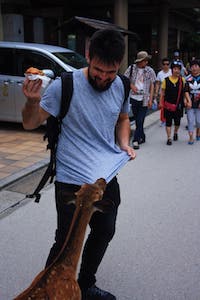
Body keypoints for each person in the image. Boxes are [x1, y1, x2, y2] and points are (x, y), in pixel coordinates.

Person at [22, 29, 136, 300]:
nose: (103, 77)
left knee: (105, 231)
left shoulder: (121, 85)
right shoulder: (66, 84)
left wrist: (124, 143)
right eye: (98, 70)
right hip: (71, 177)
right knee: (66, 240)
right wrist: (31, 101)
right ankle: (46, 292)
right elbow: (29, 122)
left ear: (119, 63)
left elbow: (122, 119)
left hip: (105, 175)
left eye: (110, 72)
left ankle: (85, 283)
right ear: (88, 56)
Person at [124, 51, 156, 150]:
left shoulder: (149, 70)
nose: (146, 62)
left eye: (147, 60)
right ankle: (142, 136)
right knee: (138, 120)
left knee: (140, 119)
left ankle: (135, 140)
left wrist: (151, 99)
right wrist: (131, 86)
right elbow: (125, 79)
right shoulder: (132, 68)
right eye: (145, 60)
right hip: (133, 98)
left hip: (144, 99)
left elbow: (152, 85)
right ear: (140, 61)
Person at [160, 61, 185, 145]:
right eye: (175, 69)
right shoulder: (165, 81)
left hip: (179, 106)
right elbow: (162, 93)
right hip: (168, 105)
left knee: (177, 122)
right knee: (168, 122)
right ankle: (169, 138)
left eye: (178, 69)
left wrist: (186, 100)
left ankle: (175, 132)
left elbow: (185, 92)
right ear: (172, 70)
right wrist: (160, 103)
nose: (176, 71)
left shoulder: (182, 80)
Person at [184, 59, 200, 144]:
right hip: (190, 104)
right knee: (190, 120)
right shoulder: (188, 79)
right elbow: (186, 91)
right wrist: (188, 101)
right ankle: (191, 137)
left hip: (199, 104)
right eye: (192, 66)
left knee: (198, 121)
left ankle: (198, 131)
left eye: (196, 66)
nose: (194, 68)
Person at [154, 57, 172, 126]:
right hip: (162, 93)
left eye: (167, 64)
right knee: (163, 108)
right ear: (162, 65)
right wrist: (156, 93)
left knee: (170, 107)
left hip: (171, 93)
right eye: (164, 64)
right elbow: (158, 84)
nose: (165, 66)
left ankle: (169, 119)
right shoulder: (159, 74)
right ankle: (163, 120)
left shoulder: (171, 72)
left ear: (169, 65)